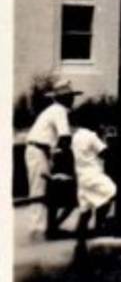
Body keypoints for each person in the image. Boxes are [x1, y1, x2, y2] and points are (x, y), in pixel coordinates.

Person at [24, 79, 80, 239]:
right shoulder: (59, 110)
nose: (72, 100)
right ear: (61, 98)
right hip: (38, 149)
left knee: (46, 191)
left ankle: (47, 228)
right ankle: (37, 231)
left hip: (42, 150)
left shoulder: (55, 110)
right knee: (39, 191)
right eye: (69, 97)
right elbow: (65, 138)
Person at [70, 105, 116, 239]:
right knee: (111, 193)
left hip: (81, 176)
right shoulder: (91, 136)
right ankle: (99, 226)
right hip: (93, 174)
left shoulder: (76, 136)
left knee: (86, 209)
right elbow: (105, 154)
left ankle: (80, 237)